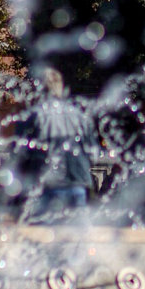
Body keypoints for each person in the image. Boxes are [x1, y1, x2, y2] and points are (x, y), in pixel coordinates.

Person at [27, 67, 93, 217]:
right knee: (77, 234)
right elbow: (91, 150)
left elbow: (22, 154)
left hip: (48, 186)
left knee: (46, 235)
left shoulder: (35, 115)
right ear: (61, 88)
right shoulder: (78, 115)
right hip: (78, 184)